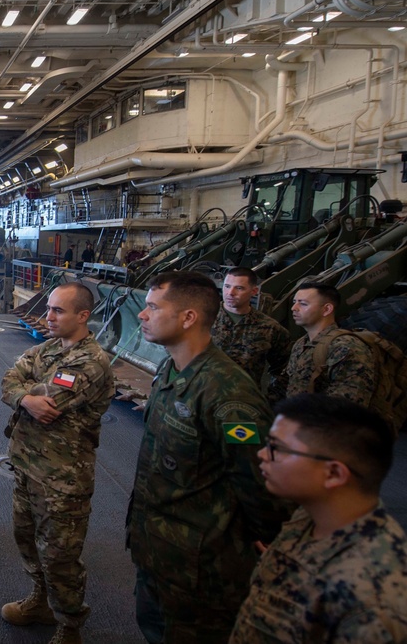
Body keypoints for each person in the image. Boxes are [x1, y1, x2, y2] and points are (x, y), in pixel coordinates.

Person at [128, 271, 289, 644]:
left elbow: (260, 481)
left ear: (188, 318)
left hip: (202, 568)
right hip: (159, 548)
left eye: (153, 306)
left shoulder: (228, 395)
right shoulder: (172, 368)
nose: (142, 314)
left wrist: (267, 539)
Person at [230, 394, 407, 643]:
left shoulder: (372, 601)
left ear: (333, 473)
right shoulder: (311, 517)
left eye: (276, 448)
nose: (262, 454)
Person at [0, 282, 115, 644]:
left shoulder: (92, 361)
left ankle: (69, 625)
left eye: (58, 311)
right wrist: (24, 397)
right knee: (27, 540)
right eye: (48, 309)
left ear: (83, 316)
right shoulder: (48, 349)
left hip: (63, 479)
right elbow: (9, 379)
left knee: (60, 556)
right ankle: (41, 601)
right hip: (27, 466)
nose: (48, 316)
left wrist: (27, 393)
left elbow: (51, 401)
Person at [285, 282, 375, 406]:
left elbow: (348, 407)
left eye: (303, 303)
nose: (294, 308)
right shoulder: (301, 343)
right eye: (295, 302)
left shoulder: (345, 347)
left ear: (327, 309)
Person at [210, 267, 291, 403]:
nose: (230, 293)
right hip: (203, 400)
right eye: (227, 286)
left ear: (254, 291)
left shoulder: (269, 327)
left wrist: (272, 400)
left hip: (245, 404)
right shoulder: (203, 318)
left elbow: (283, 369)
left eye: (239, 288)